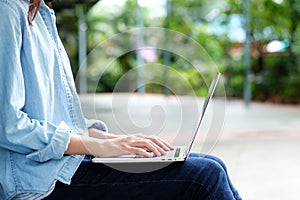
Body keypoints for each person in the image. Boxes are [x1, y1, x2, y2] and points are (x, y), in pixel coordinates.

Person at [0, 0, 242, 199]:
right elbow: (8, 126)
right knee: (206, 177)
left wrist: (117, 141)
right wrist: (98, 147)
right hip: (38, 181)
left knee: (213, 164)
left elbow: (57, 118)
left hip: (61, 164)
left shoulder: (41, 13)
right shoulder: (8, 10)